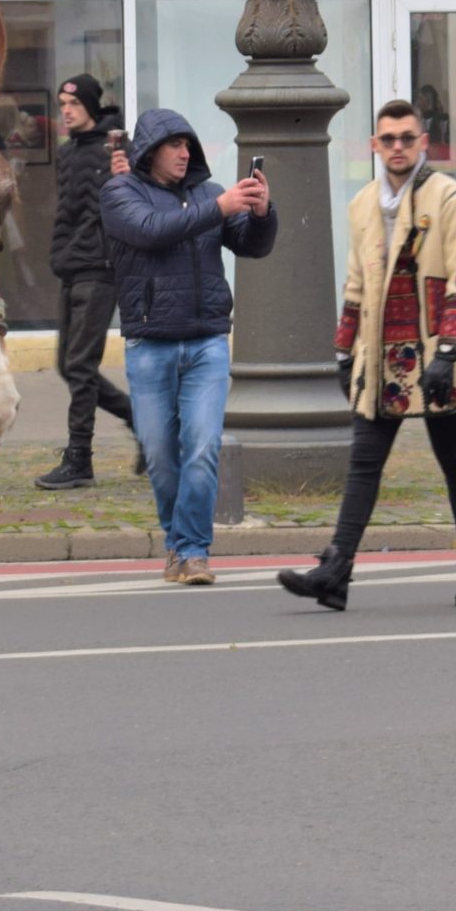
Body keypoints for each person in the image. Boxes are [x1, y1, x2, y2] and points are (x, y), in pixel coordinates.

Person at [280, 100, 456, 612]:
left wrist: (447, 352)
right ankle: (336, 572)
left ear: (424, 143)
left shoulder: (450, 198)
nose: (397, 147)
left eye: (407, 137)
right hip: (382, 360)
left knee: (455, 459)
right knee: (364, 462)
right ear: (375, 146)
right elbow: (356, 283)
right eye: (388, 139)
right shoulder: (362, 205)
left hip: (435, 352)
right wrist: (342, 350)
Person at [101, 107, 275, 585]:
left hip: (207, 342)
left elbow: (252, 245)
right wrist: (218, 209)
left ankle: (191, 551)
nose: (184, 153)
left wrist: (261, 213)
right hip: (149, 343)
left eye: (188, 145)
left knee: (202, 447)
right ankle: (179, 543)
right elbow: (150, 232)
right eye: (174, 145)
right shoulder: (120, 193)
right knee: (160, 455)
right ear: (149, 150)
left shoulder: (209, 193)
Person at [35, 75, 137, 491]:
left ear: (91, 107)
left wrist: (124, 175)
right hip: (70, 266)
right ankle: (141, 421)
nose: (66, 111)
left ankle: (80, 458)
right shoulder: (68, 153)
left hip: (100, 268)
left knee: (80, 365)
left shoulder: (115, 151)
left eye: (73, 104)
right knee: (67, 364)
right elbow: (67, 212)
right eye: (61, 104)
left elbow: (131, 201)